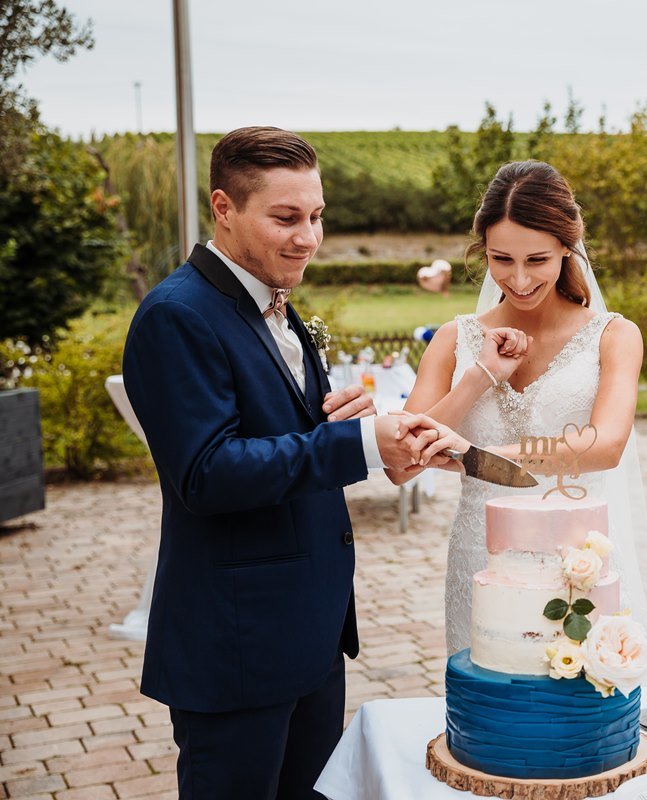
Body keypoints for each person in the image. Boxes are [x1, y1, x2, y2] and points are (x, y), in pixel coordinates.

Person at [123, 126, 431, 799]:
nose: (308, 238)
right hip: (238, 647)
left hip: (308, 637)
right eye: (286, 217)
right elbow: (206, 473)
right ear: (224, 209)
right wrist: (357, 444)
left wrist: (331, 425)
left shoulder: (271, 301)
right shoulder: (176, 316)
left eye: (316, 216)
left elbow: (273, 436)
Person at [387, 160, 647, 654]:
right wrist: (480, 376)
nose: (520, 278)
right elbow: (401, 466)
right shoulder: (453, 339)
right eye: (501, 258)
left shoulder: (614, 335)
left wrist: (479, 454)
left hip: (581, 557)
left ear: (567, 250)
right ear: (482, 250)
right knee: (489, 708)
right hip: (482, 557)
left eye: (538, 260)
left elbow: (606, 445)